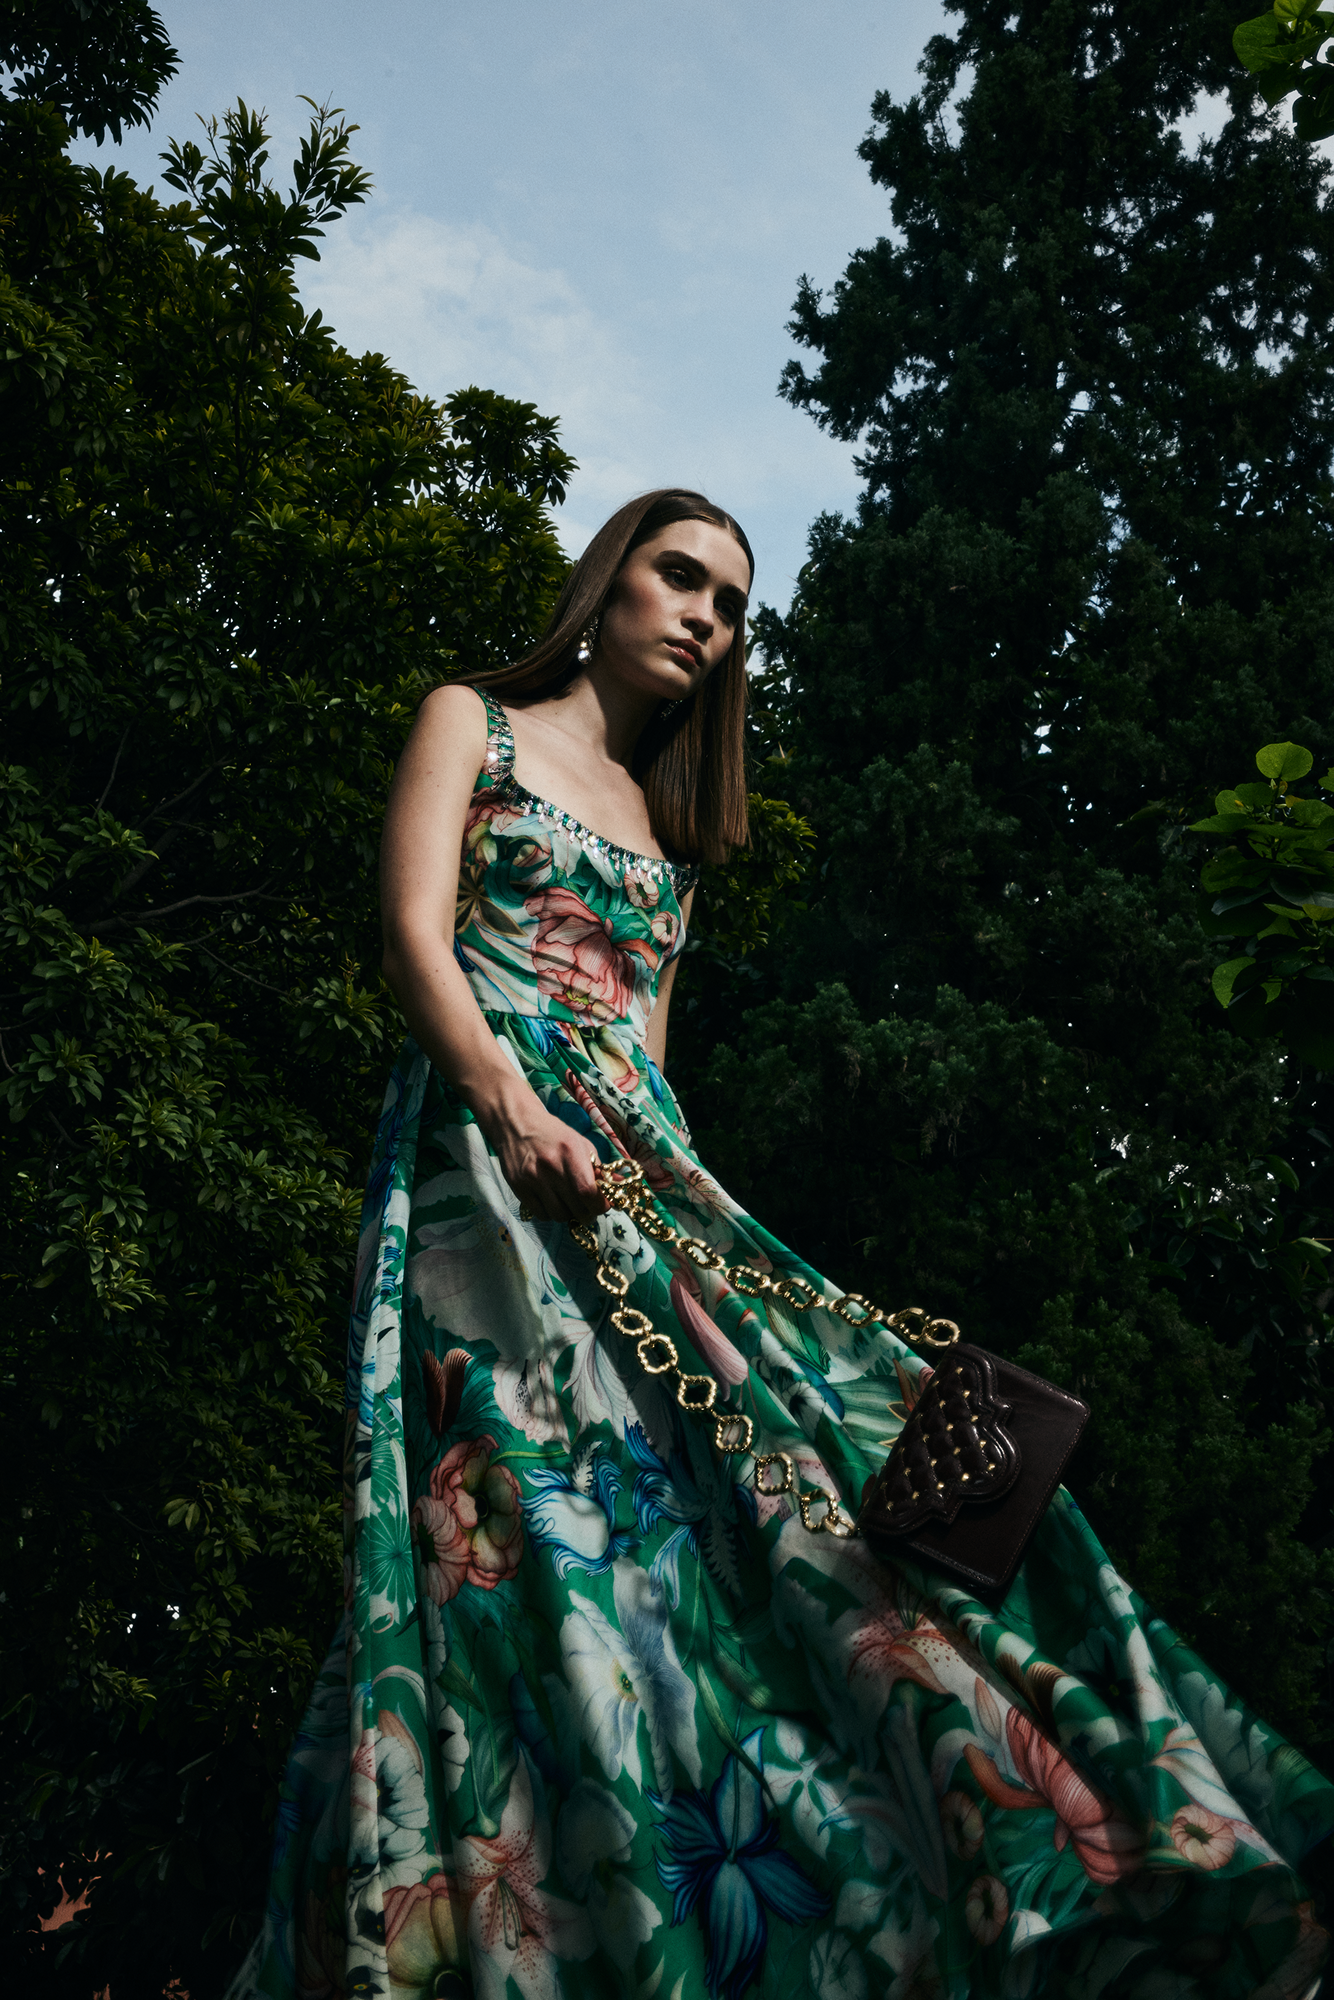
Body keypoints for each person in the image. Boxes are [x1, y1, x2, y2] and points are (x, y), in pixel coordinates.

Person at [231, 490, 1333, 2000]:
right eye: (678, 577)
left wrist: (683, 1222)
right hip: (481, 1187)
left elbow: (657, 1076)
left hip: (635, 1188)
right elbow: (413, 939)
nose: (704, 616)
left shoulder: (669, 840)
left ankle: (1057, 1832)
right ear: (607, 582)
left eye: (732, 603)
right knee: (509, 1531)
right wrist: (503, 1104)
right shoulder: (470, 724)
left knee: (776, 1495)